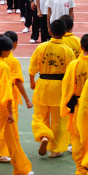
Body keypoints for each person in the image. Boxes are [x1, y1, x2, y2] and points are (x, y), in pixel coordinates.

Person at [0, 34, 34, 175]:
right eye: (9, 49)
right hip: (1, 108)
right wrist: (10, 113)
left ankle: (21, 168)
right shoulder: (3, 66)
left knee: (11, 139)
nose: (11, 51)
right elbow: (6, 91)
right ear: (3, 50)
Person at [29, 19, 75, 158]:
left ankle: (43, 134)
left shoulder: (41, 47)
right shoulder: (67, 50)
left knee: (39, 115)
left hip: (42, 83)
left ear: (49, 31)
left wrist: (32, 81)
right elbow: (71, 73)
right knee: (58, 120)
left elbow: (33, 67)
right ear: (65, 32)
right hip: (59, 87)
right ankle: (54, 150)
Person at [60, 33, 88, 175]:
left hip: (77, 105)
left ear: (80, 47)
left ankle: (81, 170)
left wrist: (65, 105)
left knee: (76, 138)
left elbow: (67, 85)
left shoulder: (74, 64)